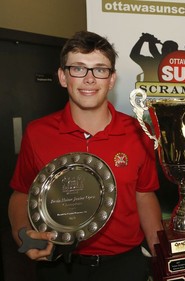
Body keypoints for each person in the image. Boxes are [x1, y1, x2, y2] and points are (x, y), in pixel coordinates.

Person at [8, 31, 163, 281]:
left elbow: (144, 194)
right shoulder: (37, 132)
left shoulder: (138, 132)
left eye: (100, 70)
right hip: (59, 264)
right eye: (78, 69)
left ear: (111, 79)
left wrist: (160, 254)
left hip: (124, 265)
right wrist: (23, 234)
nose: (89, 79)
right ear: (62, 76)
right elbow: (22, 192)